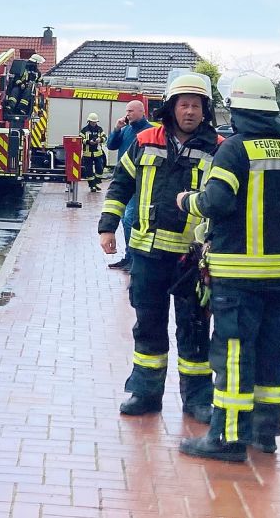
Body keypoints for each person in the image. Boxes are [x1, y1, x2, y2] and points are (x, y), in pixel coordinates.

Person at [177, 75, 280, 462]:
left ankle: (227, 438)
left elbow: (217, 202)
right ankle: (265, 434)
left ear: (238, 111)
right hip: (276, 277)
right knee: (270, 353)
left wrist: (188, 200)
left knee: (233, 355)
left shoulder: (234, 150)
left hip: (236, 277)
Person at [98, 73, 222, 424]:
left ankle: (197, 400)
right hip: (148, 254)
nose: (190, 111)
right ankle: (146, 393)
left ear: (205, 110)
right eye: (184, 104)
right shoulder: (145, 139)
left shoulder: (219, 147)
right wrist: (107, 227)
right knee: (148, 324)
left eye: (196, 105)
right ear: (171, 106)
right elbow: (121, 184)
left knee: (195, 328)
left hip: (192, 259)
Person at [105, 100, 153, 271]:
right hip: (124, 181)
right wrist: (117, 129)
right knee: (125, 219)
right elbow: (110, 145)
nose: (128, 114)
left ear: (142, 111)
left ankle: (134, 258)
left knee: (129, 219)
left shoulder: (149, 131)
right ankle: (128, 257)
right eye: (127, 111)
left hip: (140, 182)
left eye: (131, 111)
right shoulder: (125, 130)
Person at [79, 113, 107, 192]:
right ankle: (92, 186)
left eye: (95, 122)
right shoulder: (84, 130)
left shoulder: (99, 129)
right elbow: (80, 139)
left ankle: (97, 182)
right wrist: (88, 142)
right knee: (89, 170)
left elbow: (105, 137)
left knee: (100, 168)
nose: (94, 123)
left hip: (98, 153)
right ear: (89, 121)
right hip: (87, 154)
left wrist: (99, 140)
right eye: (92, 122)